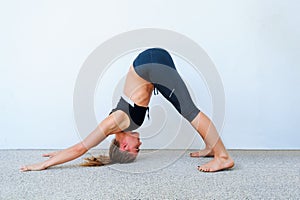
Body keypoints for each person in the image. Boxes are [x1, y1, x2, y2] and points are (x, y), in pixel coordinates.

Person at [20, 48, 234, 172]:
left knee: (189, 110)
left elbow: (80, 149)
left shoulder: (114, 123)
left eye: (135, 148)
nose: (140, 144)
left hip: (150, 64)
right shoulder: (121, 125)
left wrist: (44, 164)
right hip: (152, 65)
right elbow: (81, 147)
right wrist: (57, 152)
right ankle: (210, 146)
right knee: (183, 108)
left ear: (123, 145)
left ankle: (223, 157)